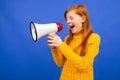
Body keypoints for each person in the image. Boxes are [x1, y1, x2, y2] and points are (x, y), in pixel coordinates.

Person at [47, 4, 101, 80]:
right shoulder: (68, 39)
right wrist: (54, 47)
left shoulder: (93, 38)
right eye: (66, 19)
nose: (68, 22)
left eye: (71, 18)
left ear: (82, 18)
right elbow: (60, 63)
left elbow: (83, 65)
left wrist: (61, 45)